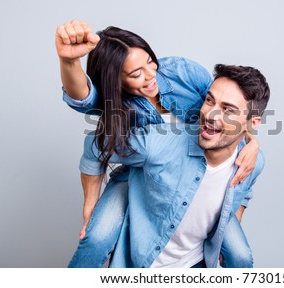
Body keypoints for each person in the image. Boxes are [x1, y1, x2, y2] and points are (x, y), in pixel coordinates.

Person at [55, 20, 260, 267]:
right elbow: (83, 98)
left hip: (191, 173)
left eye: (150, 62)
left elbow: (226, 105)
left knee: (240, 256)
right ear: (115, 81)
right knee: (96, 237)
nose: (151, 75)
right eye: (135, 73)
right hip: (137, 175)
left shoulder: (184, 72)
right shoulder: (115, 101)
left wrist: (252, 140)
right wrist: (68, 62)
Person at [80, 64, 270, 267]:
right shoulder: (161, 141)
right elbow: (96, 144)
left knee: (241, 258)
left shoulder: (253, 161)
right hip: (143, 262)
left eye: (227, 109)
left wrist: (226, 228)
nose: (210, 114)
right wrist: (90, 202)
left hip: (197, 264)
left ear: (253, 122)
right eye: (209, 100)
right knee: (97, 238)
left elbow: (245, 190)